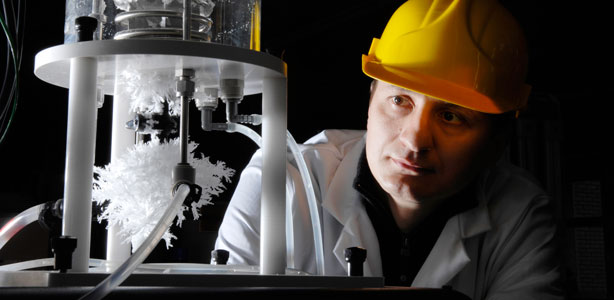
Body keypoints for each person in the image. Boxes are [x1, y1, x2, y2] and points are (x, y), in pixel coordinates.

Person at [215, 0, 562, 299]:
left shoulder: (519, 215)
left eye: (452, 116)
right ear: (370, 100)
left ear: (497, 141)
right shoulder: (279, 180)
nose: (415, 141)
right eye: (400, 100)